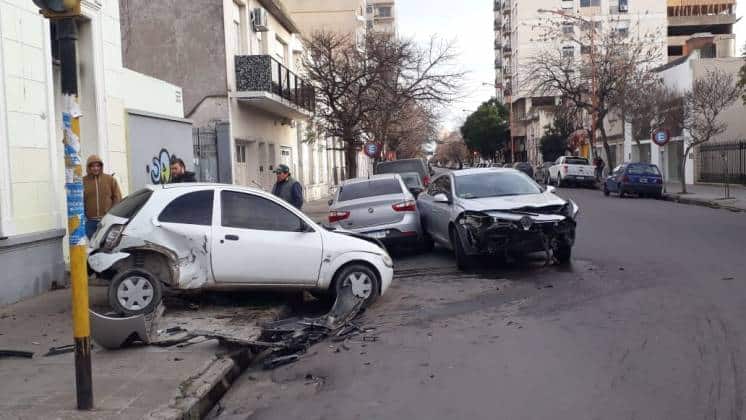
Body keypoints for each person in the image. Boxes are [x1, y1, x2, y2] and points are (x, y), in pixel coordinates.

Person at [83, 155, 122, 239]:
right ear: (88, 167)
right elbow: (80, 201)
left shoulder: (110, 180)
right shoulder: (83, 181)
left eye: (97, 166)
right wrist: (84, 218)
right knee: (93, 247)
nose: (95, 168)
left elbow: (117, 198)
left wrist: (112, 214)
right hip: (90, 222)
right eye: (93, 166)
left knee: (106, 246)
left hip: (106, 221)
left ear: (101, 167)